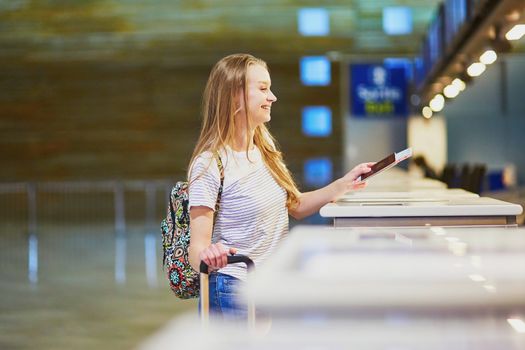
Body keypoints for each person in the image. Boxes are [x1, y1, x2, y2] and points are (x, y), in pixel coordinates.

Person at [187, 53, 373, 319]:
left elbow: (295, 206)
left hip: (269, 283)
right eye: (263, 89)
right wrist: (209, 255)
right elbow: (197, 251)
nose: (272, 97)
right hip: (232, 289)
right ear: (235, 96)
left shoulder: (265, 149)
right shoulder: (209, 164)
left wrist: (343, 184)